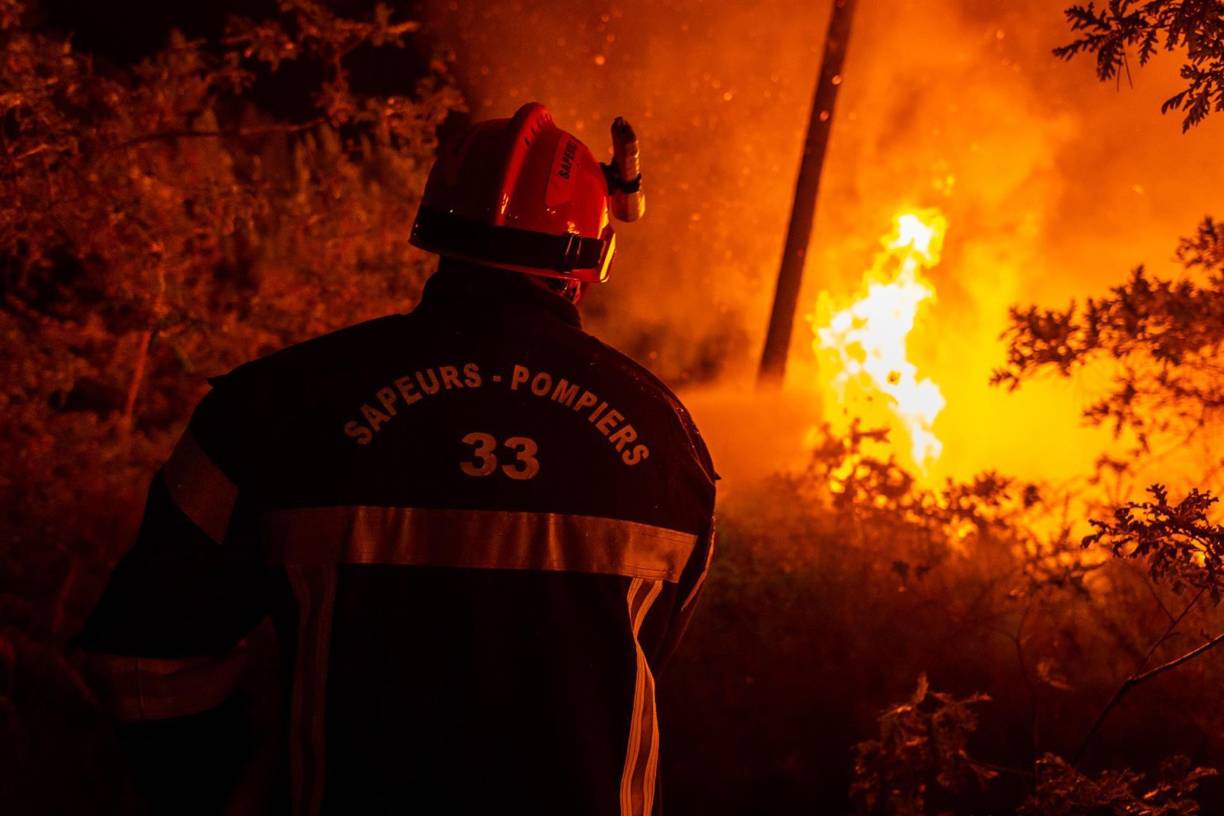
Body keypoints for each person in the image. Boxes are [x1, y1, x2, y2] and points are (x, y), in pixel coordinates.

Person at [77, 102, 717, 816]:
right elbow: (651, 653)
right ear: (590, 259)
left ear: (437, 226)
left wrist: (228, 785)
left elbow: (140, 665)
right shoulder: (666, 439)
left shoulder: (274, 406)